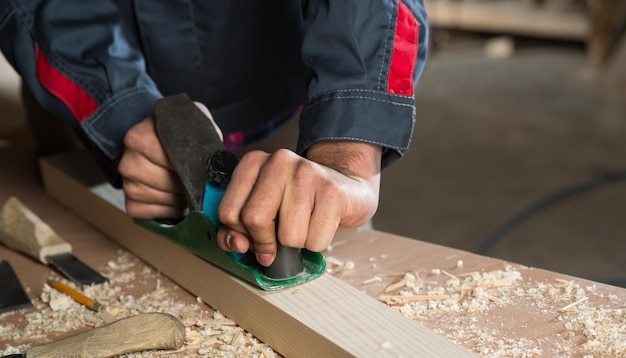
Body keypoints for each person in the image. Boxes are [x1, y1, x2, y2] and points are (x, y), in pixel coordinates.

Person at [0, 1, 429, 267]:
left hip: (296, 111)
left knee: (323, 233)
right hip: (89, 100)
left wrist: (348, 147)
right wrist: (115, 106)